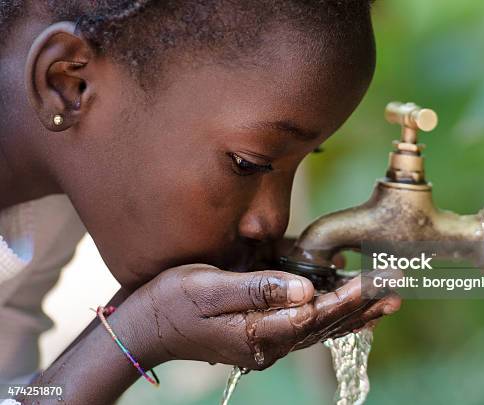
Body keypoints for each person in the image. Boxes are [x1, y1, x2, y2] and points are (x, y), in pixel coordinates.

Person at [0, 1, 401, 403]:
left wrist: (138, 319)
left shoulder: (45, 207)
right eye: (248, 163)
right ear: (68, 84)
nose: (272, 221)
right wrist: (137, 332)